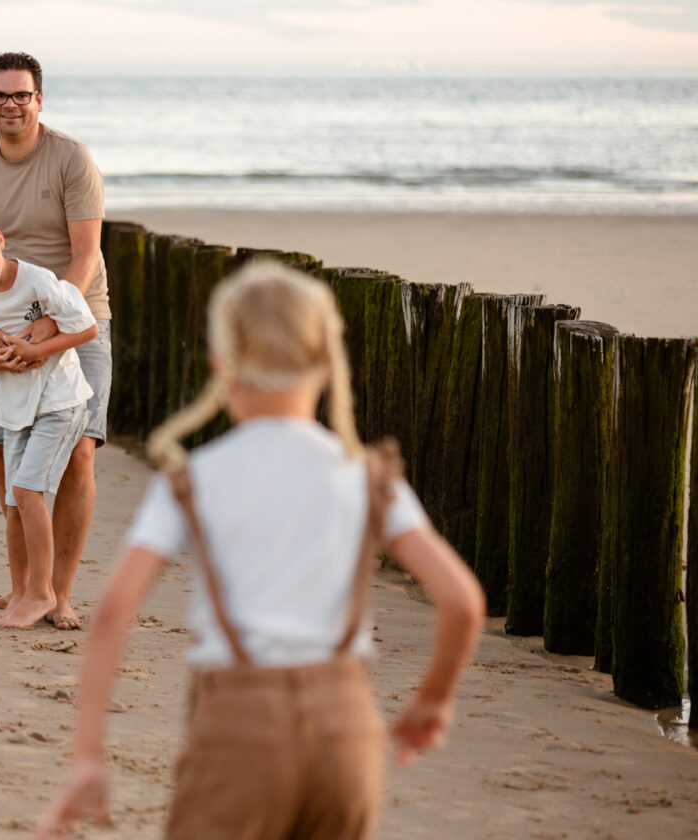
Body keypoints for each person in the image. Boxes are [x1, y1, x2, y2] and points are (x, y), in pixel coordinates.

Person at [33, 262, 486, 839]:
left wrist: (88, 758)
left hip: (238, 729)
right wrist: (433, 701)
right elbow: (463, 602)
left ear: (222, 366)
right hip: (345, 729)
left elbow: (113, 615)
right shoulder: (369, 477)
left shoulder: (195, 478)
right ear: (326, 363)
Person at [0, 51, 111, 630]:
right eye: (0, 95)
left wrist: (47, 327)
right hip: (1, 323)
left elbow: (86, 253)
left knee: (78, 456)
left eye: (22, 95)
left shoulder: (71, 159)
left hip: (77, 312)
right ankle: (24, 587)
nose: (11, 104)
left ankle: (58, 594)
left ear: (39, 100)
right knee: (3, 456)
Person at [0, 210, 99, 629]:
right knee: (15, 501)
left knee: (28, 490)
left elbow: (86, 330)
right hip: (15, 410)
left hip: (58, 402)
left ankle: (44, 593)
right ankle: (21, 593)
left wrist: (37, 352)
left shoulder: (39, 281)